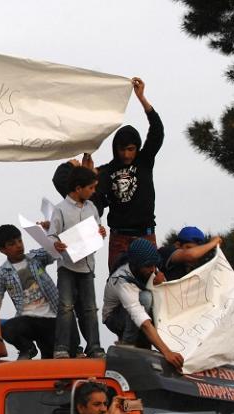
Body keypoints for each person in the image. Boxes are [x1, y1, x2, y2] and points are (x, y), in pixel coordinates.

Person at [96, 78, 164, 272]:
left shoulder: (144, 161)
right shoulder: (107, 171)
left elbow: (157, 131)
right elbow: (92, 197)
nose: (126, 154)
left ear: (137, 148)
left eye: (131, 149)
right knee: (119, 282)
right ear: (115, 149)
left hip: (145, 234)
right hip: (119, 238)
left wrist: (141, 98)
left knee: (151, 285)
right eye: (122, 150)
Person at [0, 225, 65, 358]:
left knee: (52, 359)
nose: (18, 246)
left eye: (20, 241)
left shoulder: (36, 258)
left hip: (53, 319)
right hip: (28, 320)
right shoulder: (1, 273)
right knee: (8, 329)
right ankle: (28, 349)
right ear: (2, 250)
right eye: (12, 244)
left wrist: (49, 232)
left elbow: (55, 250)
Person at [49, 167, 107, 359]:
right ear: (78, 188)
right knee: (65, 307)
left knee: (90, 308)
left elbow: (97, 231)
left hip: (87, 265)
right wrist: (56, 244)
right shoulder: (60, 209)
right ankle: (62, 347)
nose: (93, 192)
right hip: (67, 266)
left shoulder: (92, 208)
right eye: (90, 188)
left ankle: (94, 347)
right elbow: (51, 235)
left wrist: (101, 233)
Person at [102, 238, 184, 370]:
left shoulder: (149, 268)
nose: (152, 269)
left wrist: (160, 284)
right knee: (145, 298)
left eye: (154, 265)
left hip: (137, 315)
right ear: (135, 265)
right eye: (148, 266)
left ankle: (144, 345)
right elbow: (142, 320)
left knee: (151, 298)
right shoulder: (122, 280)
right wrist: (167, 353)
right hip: (114, 318)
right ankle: (126, 346)